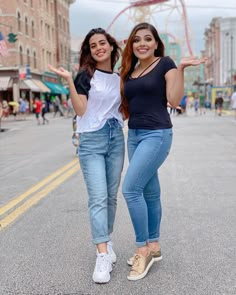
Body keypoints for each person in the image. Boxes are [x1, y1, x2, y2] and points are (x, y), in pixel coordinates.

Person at [120, 22, 207, 281]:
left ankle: (142, 250)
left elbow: (174, 99)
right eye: (137, 40)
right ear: (131, 45)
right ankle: (154, 245)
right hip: (133, 135)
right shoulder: (131, 70)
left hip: (156, 134)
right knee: (149, 190)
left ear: (157, 43)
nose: (142, 44)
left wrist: (179, 69)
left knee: (130, 189)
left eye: (148, 39)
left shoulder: (166, 64)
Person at [48, 27, 125, 284]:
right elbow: (81, 111)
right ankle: (101, 253)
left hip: (116, 137)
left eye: (103, 43)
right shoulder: (85, 75)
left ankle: (107, 239)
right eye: (93, 45)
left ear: (111, 46)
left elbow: (123, 109)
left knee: (111, 197)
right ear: (89, 51)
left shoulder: (119, 77)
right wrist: (70, 81)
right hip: (92, 139)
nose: (98, 48)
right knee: (98, 197)